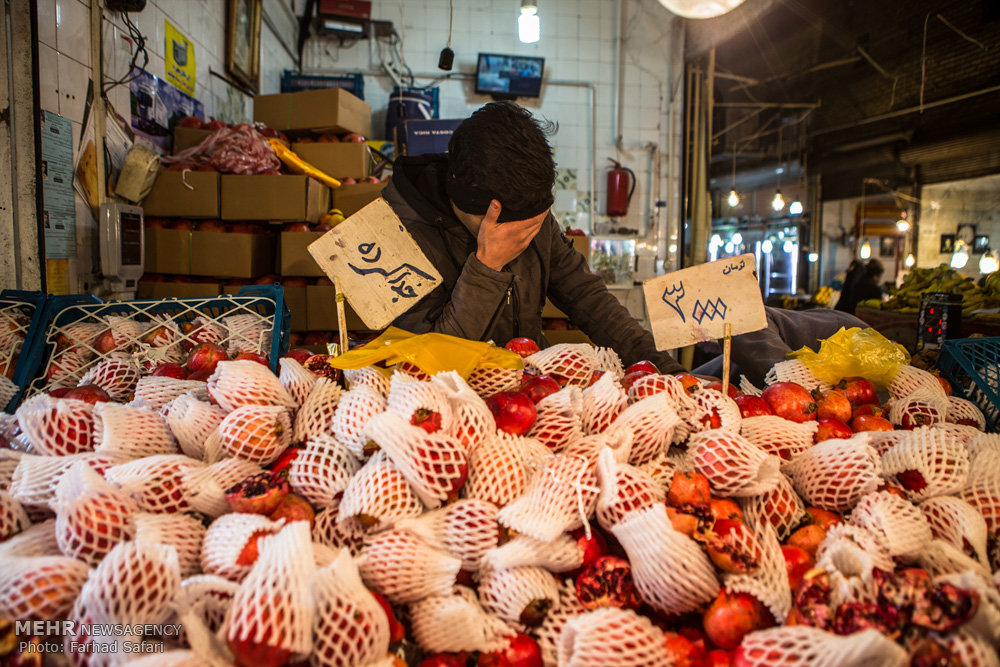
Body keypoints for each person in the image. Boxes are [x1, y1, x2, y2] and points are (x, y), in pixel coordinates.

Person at [381, 101, 684, 374]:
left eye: (530, 226)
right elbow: (427, 366)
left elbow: (586, 297)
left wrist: (667, 370)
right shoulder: (392, 233)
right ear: (468, 200)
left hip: (530, 391)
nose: (522, 237)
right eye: (510, 228)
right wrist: (486, 266)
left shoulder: (527, 210)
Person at [691, 306, 871, 387]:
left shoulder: (885, 381)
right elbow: (742, 319)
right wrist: (793, 383)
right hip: (708, 389)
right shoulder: (851, 332)